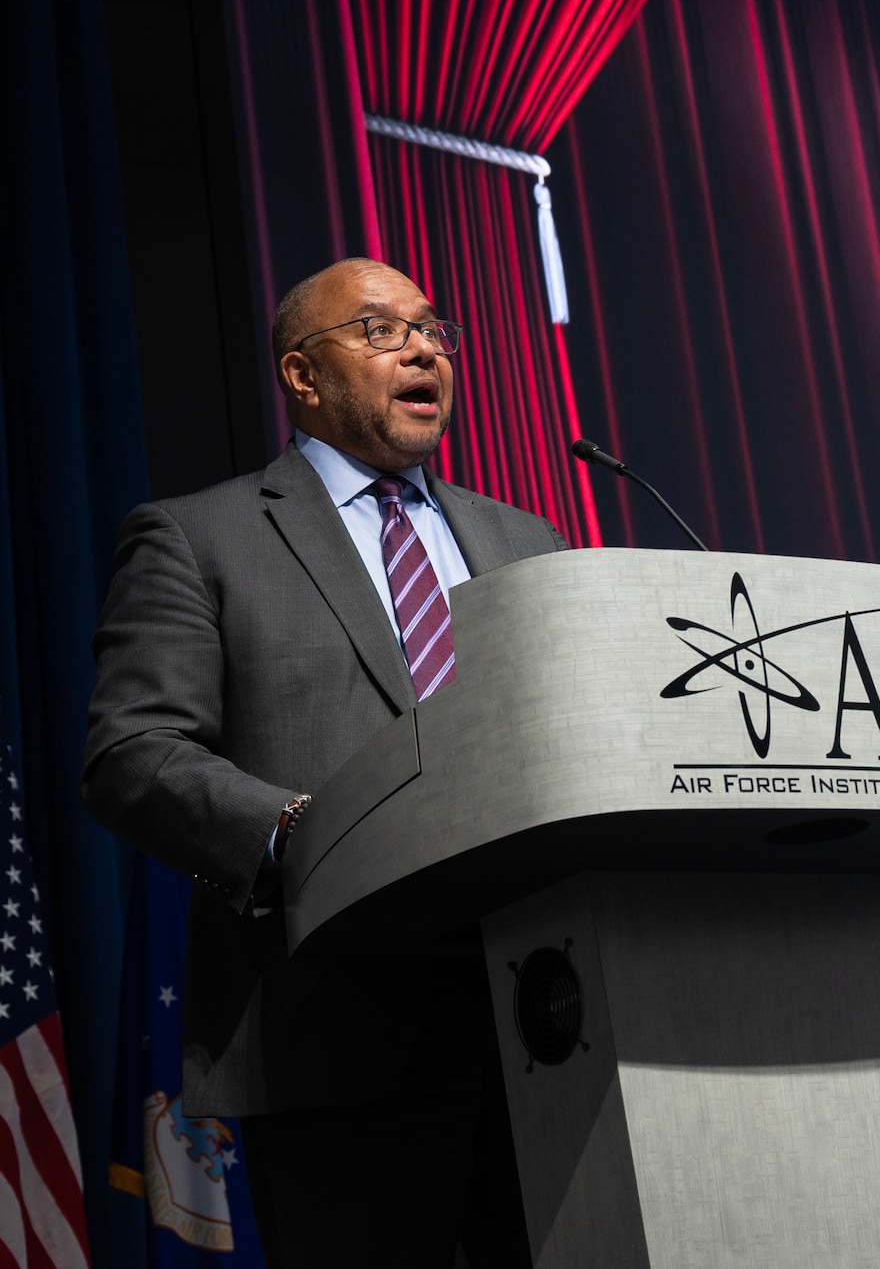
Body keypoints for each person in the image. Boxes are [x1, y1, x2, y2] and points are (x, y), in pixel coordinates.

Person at [83, 258, 565, 1268]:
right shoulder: (198, 536)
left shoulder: (526, 540)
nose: (424, 349)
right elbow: (132, 751)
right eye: (384, 331)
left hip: (552, 1017)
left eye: (433, 329)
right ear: (302, 374)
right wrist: (298, 833)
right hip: (338, 1028)